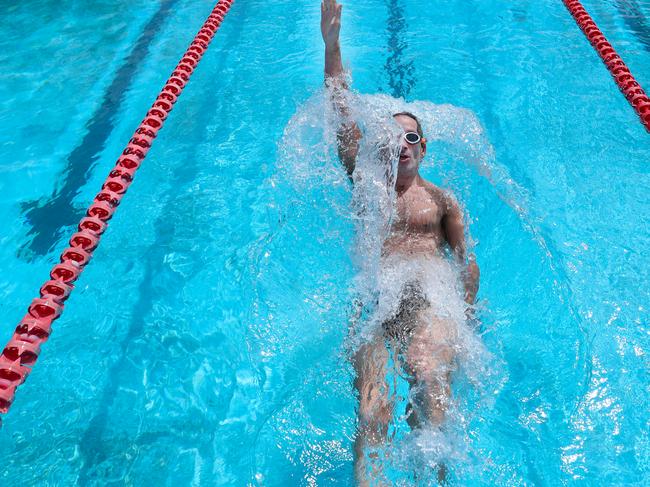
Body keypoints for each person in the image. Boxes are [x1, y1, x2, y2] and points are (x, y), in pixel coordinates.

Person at [321, 0, 481, 484]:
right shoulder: (366, 186)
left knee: (429, 383)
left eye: (411, 139)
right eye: (393, 140)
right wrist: (332, 45)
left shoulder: (442, 200)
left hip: (432, 301)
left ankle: (436, 477)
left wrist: (469, 317)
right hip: (378, 300)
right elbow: (339, 113)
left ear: (424, 147)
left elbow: (466, 263)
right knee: (373, 409)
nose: (401, 147)